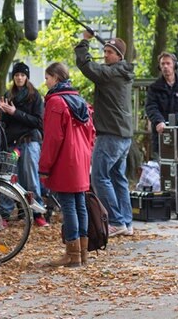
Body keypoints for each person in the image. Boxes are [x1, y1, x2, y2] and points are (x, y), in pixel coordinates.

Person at [75, 32, 135, 237]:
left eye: (109, 53)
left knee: (100, 177)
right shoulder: (121, 72)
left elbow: (87, 67)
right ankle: (126, 222)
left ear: (119, 56)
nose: (105, 55)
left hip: (111, 134)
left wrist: (84, 42)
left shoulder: (111, 73)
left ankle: (117, 221)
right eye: (105, 51)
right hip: (123, 135)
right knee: (118, 178)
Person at [39, 62, 95, 267]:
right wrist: (86, 154)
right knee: (80, 203)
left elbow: (52, 139)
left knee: (69, 205)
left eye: (47, 78)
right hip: (81, 159)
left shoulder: (56, 103)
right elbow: (92, 134)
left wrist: (44, 167)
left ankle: (72, 254)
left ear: (55, 78)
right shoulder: (80, 101)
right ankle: (82, 253)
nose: (45, 83)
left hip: (65, 159)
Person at [0, 62, 48, 227]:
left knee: (31, 179)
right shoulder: (8, 95)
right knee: (9, 179)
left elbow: (38, 122)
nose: (19, 78)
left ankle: (37, 213)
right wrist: (4, 113)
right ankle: (4, 214)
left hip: (29, 142)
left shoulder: (35, 96)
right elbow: (4, 124)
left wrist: (15, 112)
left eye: (22, 75)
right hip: (13, 145)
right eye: (17, 75)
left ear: (27, 77)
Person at [145, 51, 178, 159]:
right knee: (163, 168)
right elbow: (151, 107)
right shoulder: (154, 88)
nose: (165, 66)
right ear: (159, 67)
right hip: (162, 134)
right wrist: (159, 121)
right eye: (162, 64)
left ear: (175, 65)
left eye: (168, 63)